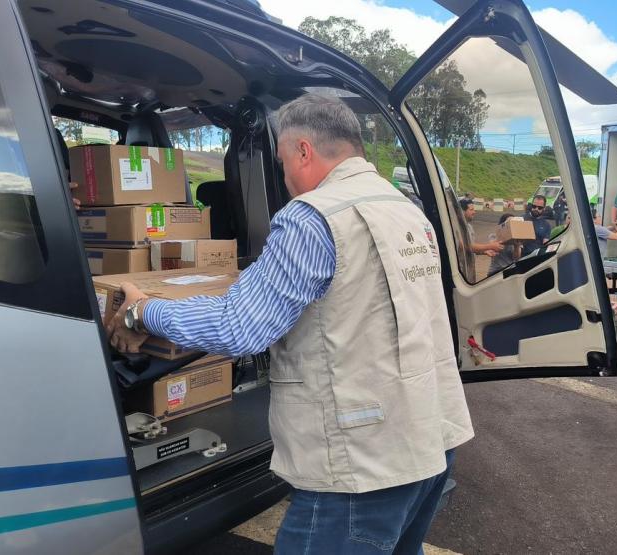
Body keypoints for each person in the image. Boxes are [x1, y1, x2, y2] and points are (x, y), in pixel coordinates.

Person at [105, 94, 475, 553]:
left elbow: (238, 328)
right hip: (433, 438)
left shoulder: (313, 219)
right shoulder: (405, 210)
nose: (286, 180)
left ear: (303, 150)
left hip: (360, 465)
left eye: (281, 164)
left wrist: (142, 311)